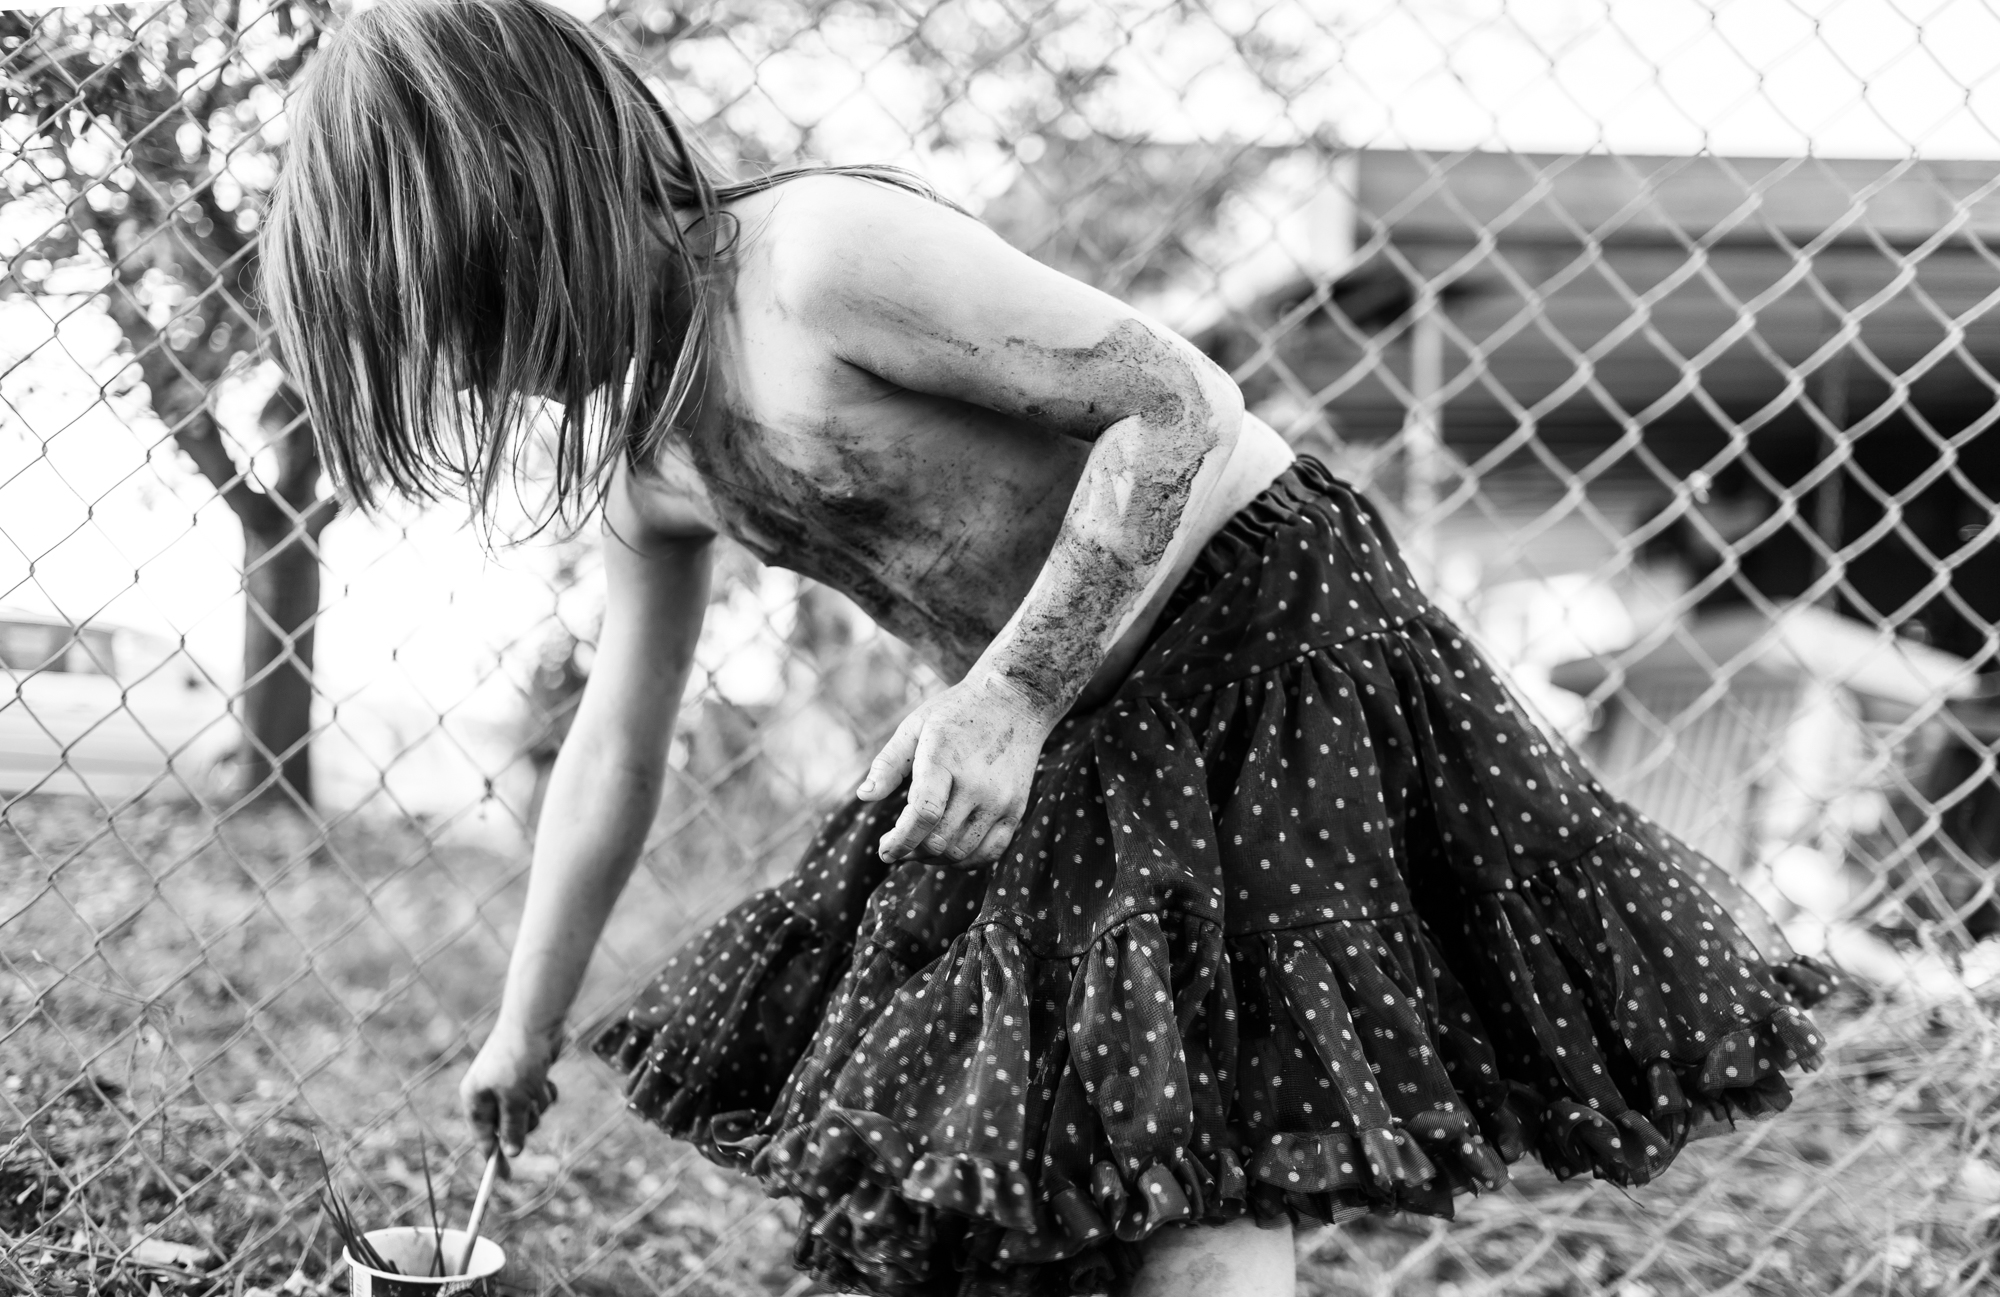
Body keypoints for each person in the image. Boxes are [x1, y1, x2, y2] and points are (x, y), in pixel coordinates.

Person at [263, 2, 1835, 1293]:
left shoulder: (810, 262)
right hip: (1065, 704)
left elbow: (1176, 401)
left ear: (535, 201)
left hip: (1259, 625)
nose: (486, 370)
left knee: (1195, 1128)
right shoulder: (657, 468)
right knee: (1017, 1139)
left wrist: (1008, 688)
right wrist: (520, 1026)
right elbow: (619, 735)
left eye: (468, 315)